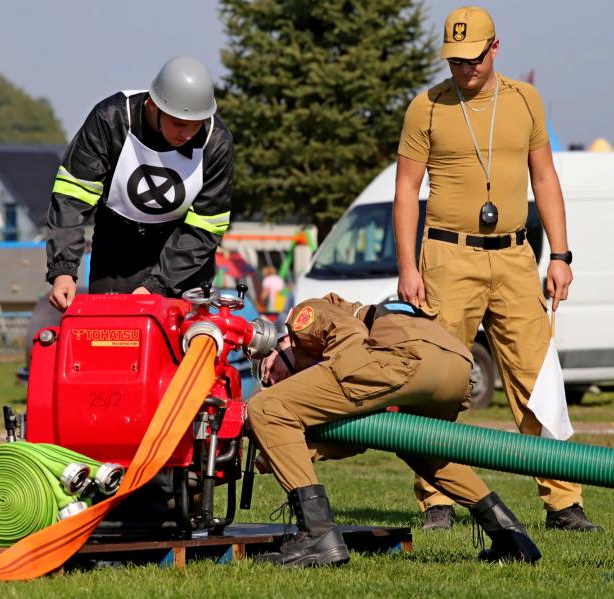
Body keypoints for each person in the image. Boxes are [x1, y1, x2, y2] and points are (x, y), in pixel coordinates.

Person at [393, 6, 600, 531]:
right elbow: (406, 191)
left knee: (538, 379)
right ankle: (436, 500)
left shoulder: (526, 100)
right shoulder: (426, 107)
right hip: (446, 257)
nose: (465, 69)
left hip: (514, 257)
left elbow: (545, 178)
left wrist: (560, 255)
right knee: (438, 383)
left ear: (495, 47)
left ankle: (563, 503)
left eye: (474, 58)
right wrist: (407, 267)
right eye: (455, 60)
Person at [246, 294, 542, 567]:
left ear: (282, 343)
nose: (272, 381)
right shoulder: (360, 337)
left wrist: (348, 378)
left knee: (267, 406)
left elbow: (350, 334)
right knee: (422, 450)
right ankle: (512, 538)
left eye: (268, 369)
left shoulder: (302, 319)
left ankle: (317, 535)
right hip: (455, 365)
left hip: (405, 354)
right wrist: (286, 453)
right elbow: (359, 436)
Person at [46, 56, 234, 310]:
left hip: (183, 259)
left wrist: (156, 286)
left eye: (196, 125)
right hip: (116, 253)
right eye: (179, 124)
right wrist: (63, 270)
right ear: (153, 105)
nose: (188, 134)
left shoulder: (217, 142)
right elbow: (72, 197)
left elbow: (206, 227)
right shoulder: (110, 119)